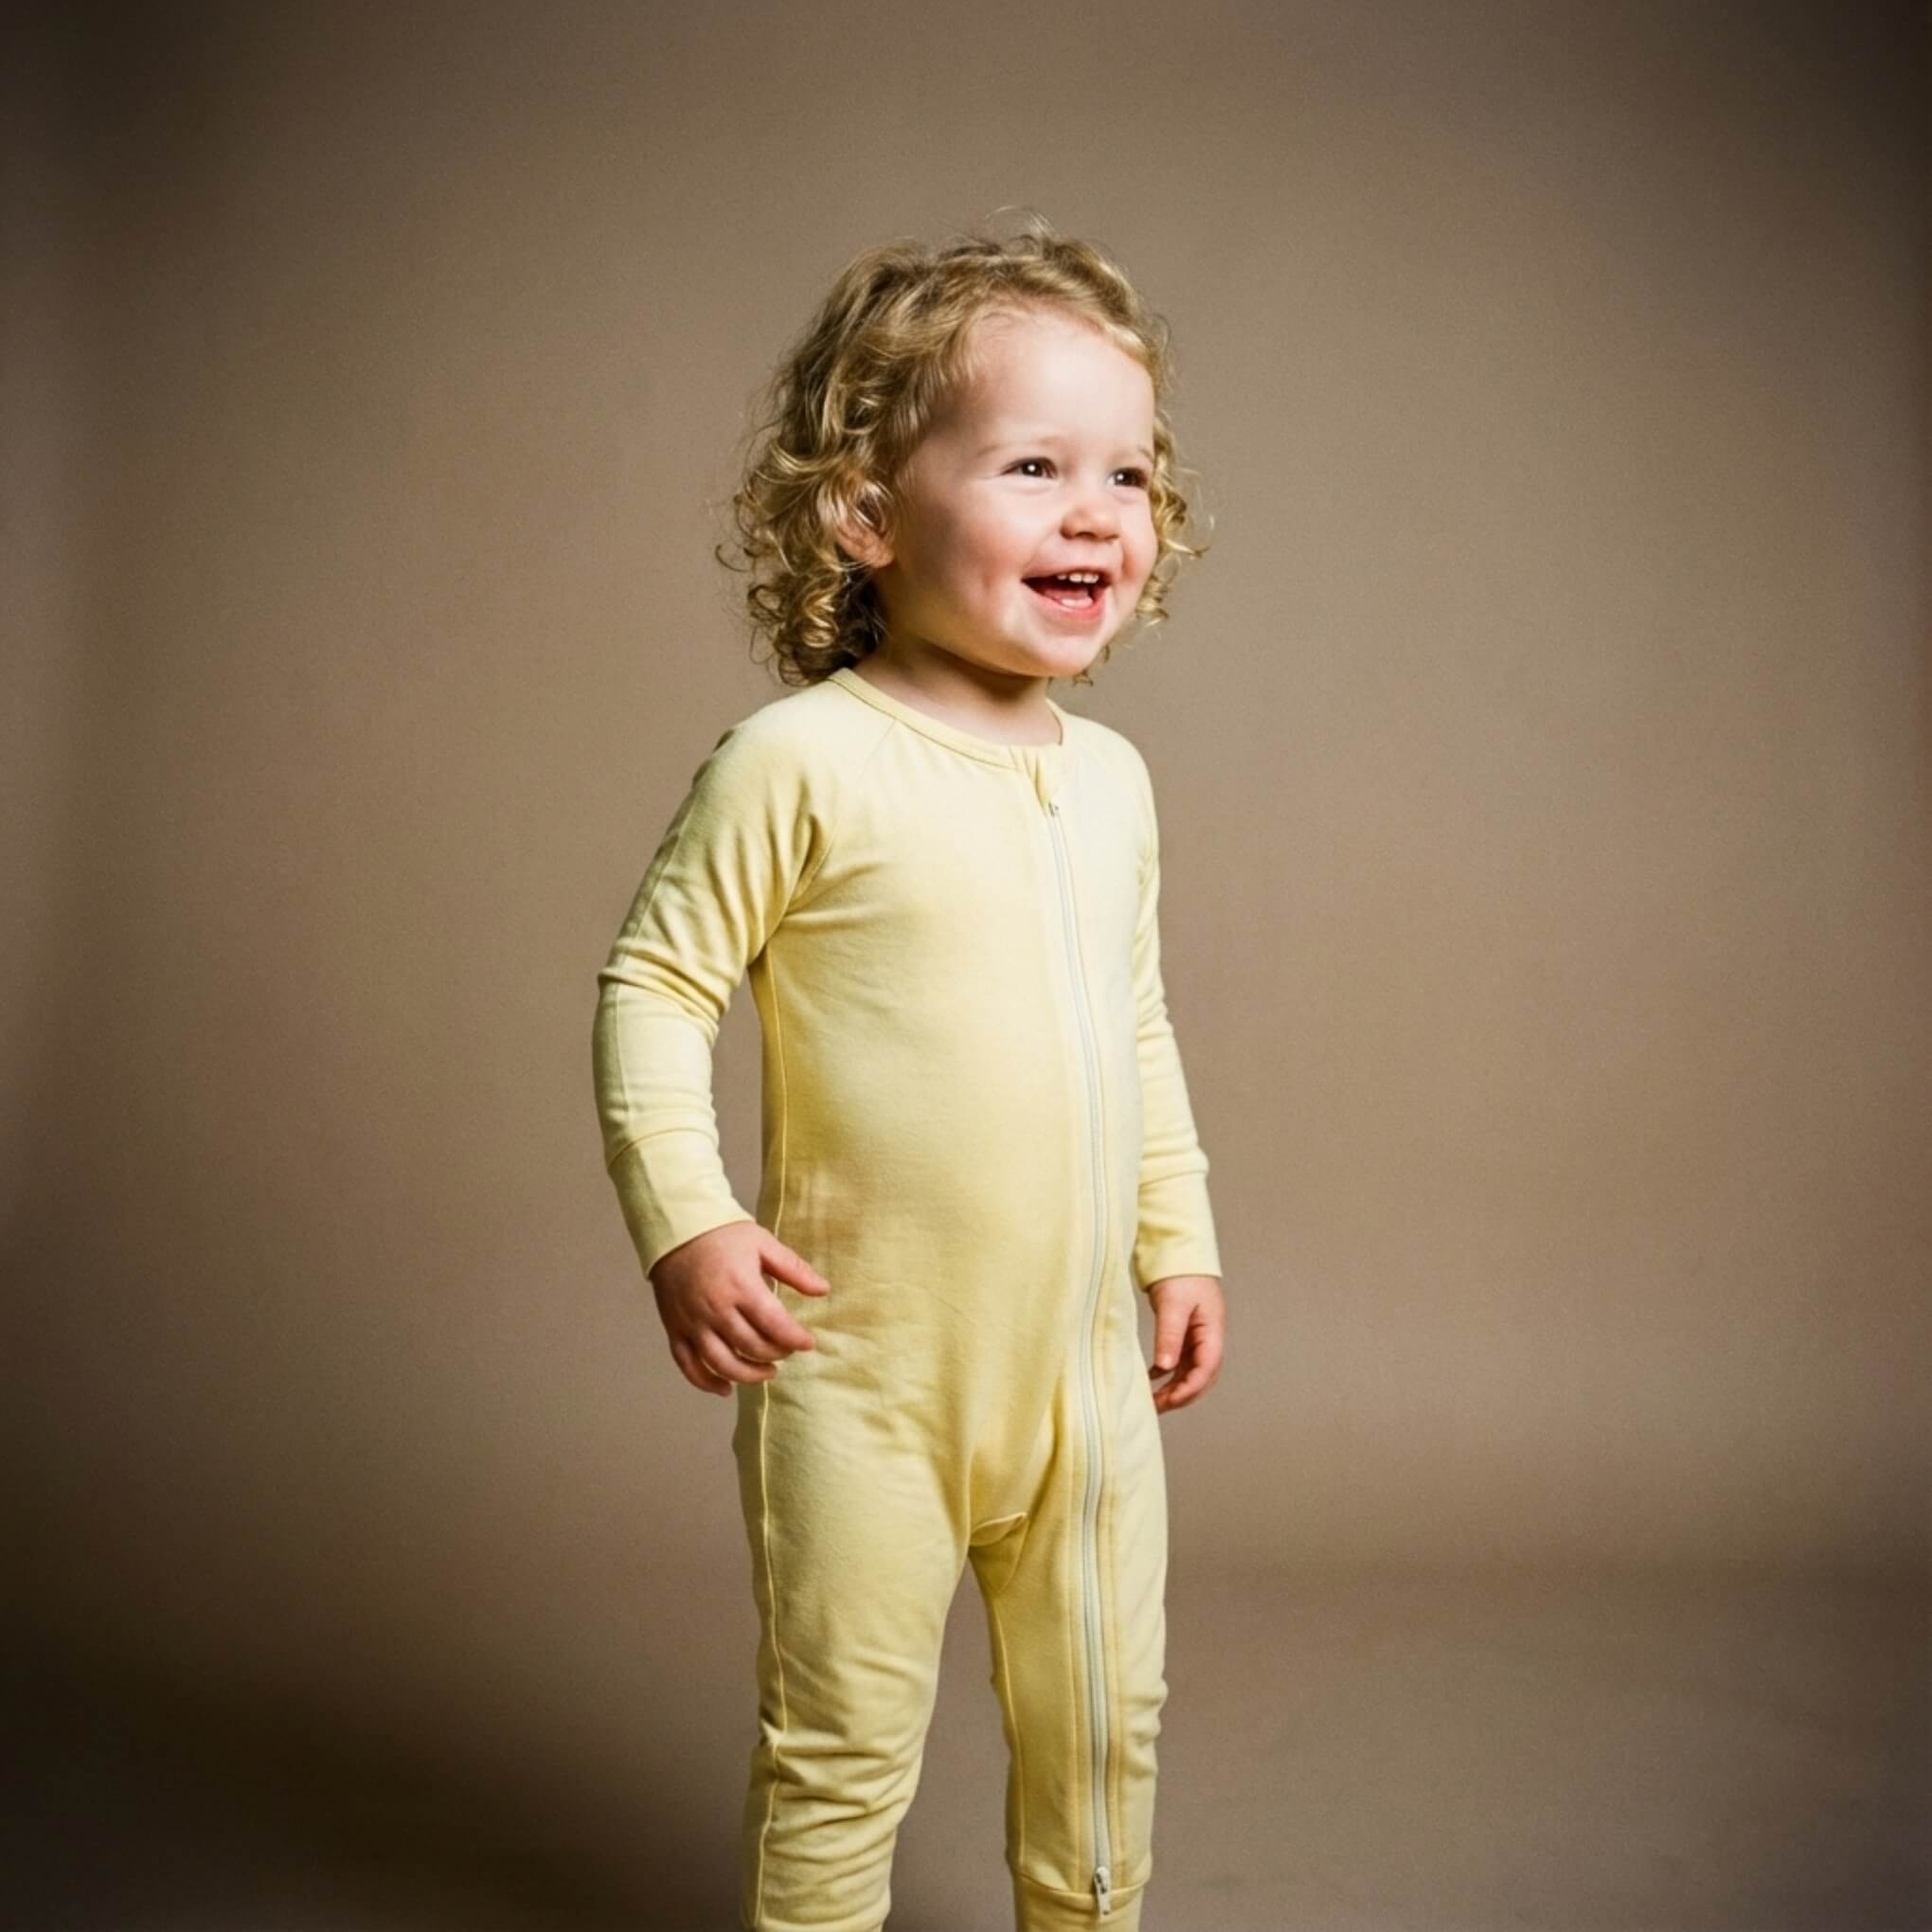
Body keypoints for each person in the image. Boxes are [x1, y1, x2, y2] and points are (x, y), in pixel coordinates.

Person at [591, 212, 1227, 1932]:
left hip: (1087, 1385)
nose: (1099, 511)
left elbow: (1135, 1020)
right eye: (1034, 465)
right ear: (867, 513)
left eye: (1131, 473)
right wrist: (688, 1219)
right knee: (841, 1747)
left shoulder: (1116, 785)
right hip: (863, 1379)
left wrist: (1181, 1239)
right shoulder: (800, 763)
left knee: (1106, 1736)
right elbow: (656, 984)